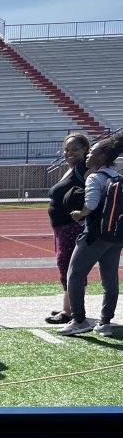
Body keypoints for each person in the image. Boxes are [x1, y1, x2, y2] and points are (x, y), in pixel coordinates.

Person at [59, 130, 123, 336]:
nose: (88, 155)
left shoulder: (95, 177)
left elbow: (92, 204)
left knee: (75, 274)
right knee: (110, 280)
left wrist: (80, 213)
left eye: (92, 152)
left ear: (102, 157)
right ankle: (105, 322)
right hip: (115, 235)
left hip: (95, 234)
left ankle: (79, 320)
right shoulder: (117, 176)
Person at [45, 133, 89, 324]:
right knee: (67, 267)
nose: (70, 153)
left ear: (85, 150)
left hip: (72, 226)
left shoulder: (83, 168)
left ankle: (70, 311)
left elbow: (95, 189)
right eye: (67, 150)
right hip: (62, 228)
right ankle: (69, 306)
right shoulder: (71, 169)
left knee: (69, 267)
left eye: (75, 149)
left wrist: (84, 211)